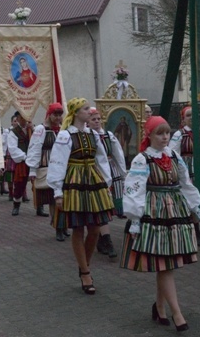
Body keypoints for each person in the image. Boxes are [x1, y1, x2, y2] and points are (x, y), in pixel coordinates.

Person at [120, 116, 200, 332]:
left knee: (166, 263)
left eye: (167, 133)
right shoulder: (142, 160)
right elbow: (135, 189)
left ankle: (160, 306)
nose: (165, 137)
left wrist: (196, 206)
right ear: (149, 135)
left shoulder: (174, 155)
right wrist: (134, 219)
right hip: (155, 213)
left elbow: (185, 183)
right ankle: (177, 313)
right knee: (165, 264)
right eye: (160, 133)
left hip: (175, 211)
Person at [47, 98, 114, 295]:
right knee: (78, 228)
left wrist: (107, 183)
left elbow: (101, 158)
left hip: (92, 181)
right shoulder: (65, 136)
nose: (89, 111)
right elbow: (57, 162)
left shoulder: (93, 134)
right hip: (74, 182)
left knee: (94, 228)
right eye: (85, 109)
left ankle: (84, 263)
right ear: (76, 113)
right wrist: (57, 191)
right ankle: (85, 271)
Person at [170, 106, 200, 247]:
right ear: (183, 119)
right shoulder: (180, 134)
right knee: (191, 198)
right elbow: (174, 154)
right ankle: (195, 231)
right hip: (188, 168)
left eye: (194, 115)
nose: (192, 117)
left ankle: (195, 228)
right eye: (188, 115)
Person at [88, 107, 126, 258]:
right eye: (93, 119)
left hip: (111, 170)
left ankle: (103, 239)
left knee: (109, 205)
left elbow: (118, 154)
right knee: (100, 206)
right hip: (94, 172)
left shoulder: (108, 135)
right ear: (88, 121)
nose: (96, 122)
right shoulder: (87, 136)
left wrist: (123, 174)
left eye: (98, 119)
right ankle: (104, 240)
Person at [26, 102, 67, 240]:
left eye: (60, 115)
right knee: (53, 199)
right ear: (49, 115)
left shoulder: (62, 130)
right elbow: (35, 148)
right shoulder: (41, 129)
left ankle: (61, 224)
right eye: (55, 114)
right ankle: (58, 227)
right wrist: (32, 170)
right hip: (46, 167)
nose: (57, 118)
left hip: (61, 167)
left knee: (63, 197)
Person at [8, 111, 37, 216]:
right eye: (21, 118)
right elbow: (13, 149)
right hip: (22, 162)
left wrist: (33, 129)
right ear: (18, 118)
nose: (24, 120)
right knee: (19, 184)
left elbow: (39, 142)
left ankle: (40, 206)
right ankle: (16, 205)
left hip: (34, 161)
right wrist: (25, 157)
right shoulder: (13, 132)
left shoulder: (34, 130)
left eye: (25, 117)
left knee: (37, 184)